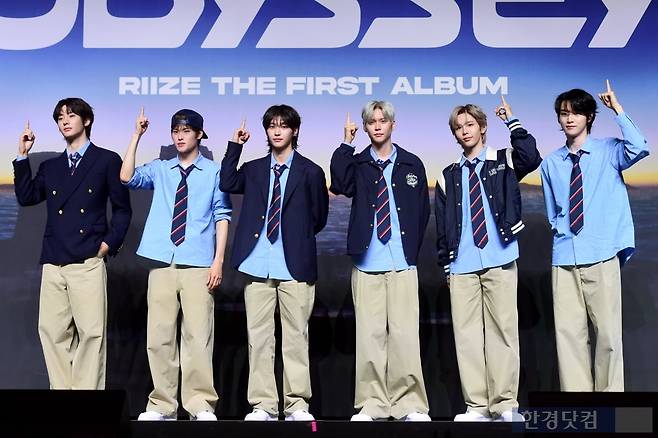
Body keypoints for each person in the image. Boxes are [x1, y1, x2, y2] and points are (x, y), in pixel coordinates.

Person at [120, 108, 231, 421]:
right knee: (159, 337)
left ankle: (200, 404)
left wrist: (218, 261)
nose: (180, 136)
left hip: (199, 263)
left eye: (186, 131)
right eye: (175, 131)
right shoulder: (161, 168)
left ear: (199, 134)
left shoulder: (214, 172)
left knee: (198, 336)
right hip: (162, 262)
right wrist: (136, 135)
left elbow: (222, 215)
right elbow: (126, 177)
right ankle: (162, 405)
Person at [13, 97, 132, 389]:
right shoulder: (51, 166)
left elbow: (122, 210)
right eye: (60, 117)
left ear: (86, 120)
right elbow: (27, 197)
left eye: (71, 115)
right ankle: (63, 397)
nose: (64, 121)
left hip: (87, 259)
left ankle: (86, 399)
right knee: (51, 333)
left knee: (91, 335)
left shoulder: (107, 160)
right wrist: (22, 156)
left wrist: (106, 246)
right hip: (54, 260)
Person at [435, 97, 541, 422]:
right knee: (466, 337)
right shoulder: (447, 175)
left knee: (503, 332)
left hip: (500, 256)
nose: (465, 131)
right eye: (459, 127)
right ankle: (477, 406)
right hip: (461, 264)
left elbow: (531, 157)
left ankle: (505, 403)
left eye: (470, 124)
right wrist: (447, 266)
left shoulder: (503, 160)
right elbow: (442, 225)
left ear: (482, 127)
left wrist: (512, 121)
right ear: (455, 134)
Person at [220, 105, 329, 421]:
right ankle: (263, 405)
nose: (277, 131)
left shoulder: (311, 171)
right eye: (271, 125)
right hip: (257, 263)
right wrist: (235, 146)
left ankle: (297, 405)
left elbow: (318, 218)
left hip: (295, 265)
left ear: (295, 131)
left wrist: (295, 237)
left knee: (296, 339)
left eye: (283, 125)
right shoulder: (253, 169)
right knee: (259, 339)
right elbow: (227, 181)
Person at [540, 81, 649, 391]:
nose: (569, 119)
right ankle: (578, 404)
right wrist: (563, 234)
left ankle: (609, 404)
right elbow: (553, 212)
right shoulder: (550, 164)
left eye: (576, 113)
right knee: (569, 338)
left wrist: (618, 110)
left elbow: (639, 146)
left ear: (589, 117)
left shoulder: (610, 150)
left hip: (601, 254)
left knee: (608, 336)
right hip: (564, 258)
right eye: (564, 114)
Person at [330, 101, 431, 422]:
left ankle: (410, 405)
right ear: (365, 127)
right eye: (371, 121)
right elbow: (339, 184)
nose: (377, 126)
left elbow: (423, 211)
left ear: (392, 125)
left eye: (382, 120)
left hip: (403, 262)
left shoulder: (412, 163)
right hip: (367, 262)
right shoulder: (358, 163)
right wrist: (346, 143)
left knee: (405, 336)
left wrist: (411, 248)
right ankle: (371, 404)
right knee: (369, 337)